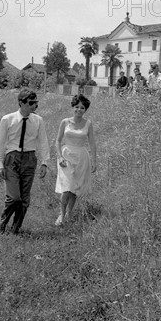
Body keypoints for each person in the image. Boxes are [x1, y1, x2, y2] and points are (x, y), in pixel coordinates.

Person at [0, 89, 50, 234]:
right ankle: (2, 224)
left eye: (36, 103)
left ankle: (15, 229)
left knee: (24, 200)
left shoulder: (38, 121)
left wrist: (44, 162)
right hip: (12, 158)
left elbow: (43, 142)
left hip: (29, 159)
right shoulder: (7, 119)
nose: (34, 106)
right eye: (31, 103)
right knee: (13, 197)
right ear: (21, 103)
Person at [54, 94, 97, 226]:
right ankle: (61, 214)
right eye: (77, 107)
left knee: (75, 187)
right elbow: (58, 140)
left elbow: (92, 143)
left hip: (81, 157)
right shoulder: (65, 122)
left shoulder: (88, 124)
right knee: (66, 186)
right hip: (66, 156)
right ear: (73, 107)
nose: (79, 110)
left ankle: (69, 213)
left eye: (82, 108)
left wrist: (94, 161)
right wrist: (60, 156)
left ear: (85, 110)